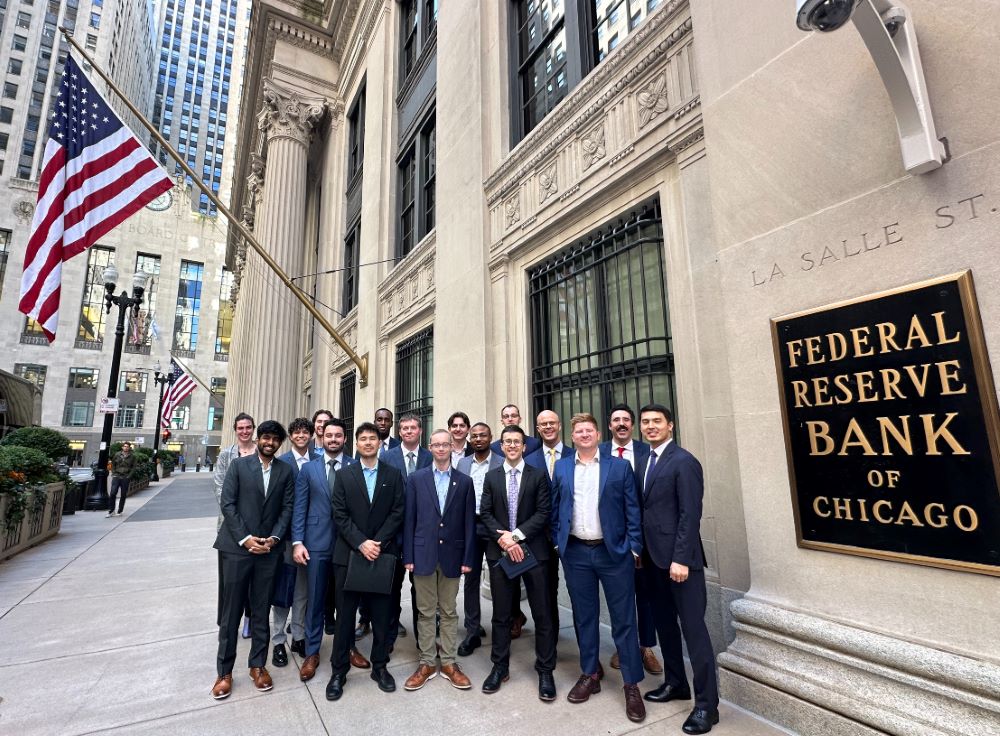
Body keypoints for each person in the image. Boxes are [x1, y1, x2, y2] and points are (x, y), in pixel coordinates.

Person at [552, 413, 645, 723]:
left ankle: (631, 684)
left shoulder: (619, 467)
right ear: (573, 436)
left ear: (597, 433)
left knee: (624, 620)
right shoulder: (562, 466)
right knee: (584, 617)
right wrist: (558, 543)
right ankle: (589, 673)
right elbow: (556, 508)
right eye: (578, 431)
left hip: (613, 553)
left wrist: (633, 548)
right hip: (577, 553)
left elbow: (633, 508)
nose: (584, 434)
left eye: (588, 430)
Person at [638, 404, 719, 735]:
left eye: (657, 421)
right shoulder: (645, 460)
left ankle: (706, 706)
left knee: (694, 631)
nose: (651, 426)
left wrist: (681, 559)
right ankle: (675, 683)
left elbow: (690, 514)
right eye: (646, 422)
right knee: (665, 627)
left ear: (670, 425)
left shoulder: (684, 462)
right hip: (653, 562)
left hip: (680, 563)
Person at [211, 420, 295, 700]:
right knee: (231, 613)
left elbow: (287, 508)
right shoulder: (239, 466)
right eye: (266, 438)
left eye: (275, 439)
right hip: (237, 549)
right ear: (259, 439)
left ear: (280, 443)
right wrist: (246, 538)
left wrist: (274, 538)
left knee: (261, 611)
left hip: (269, 551)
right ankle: (224, 672)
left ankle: (258, 666)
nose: (269, 442)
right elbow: (228, 504)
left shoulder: (285, 471)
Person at [326, 422, 405, 702]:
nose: (369, 443)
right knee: (345, 618)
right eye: (363, 439)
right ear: (356, 444)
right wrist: (361, 542)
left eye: (373, 438)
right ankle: (338, 672)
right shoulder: (345, 475)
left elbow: (398, 512)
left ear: (379, 443)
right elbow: (339, 513)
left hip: (382, 555)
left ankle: (380, 667)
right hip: (348, 555)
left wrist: (377, 543)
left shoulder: (393, 475)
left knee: (382, 616)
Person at [478, 424, 557, 701]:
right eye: (507, 441)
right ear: (501, 446)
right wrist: (505, 541)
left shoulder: (538, 476)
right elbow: (485, 512)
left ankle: (545, 670)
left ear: (524, 447)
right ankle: (500, 666)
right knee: (501, 615)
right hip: (501, 552)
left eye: (517, 442)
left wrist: (517, 536)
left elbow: (544, 511)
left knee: (542, 614)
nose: (511, 445)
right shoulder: (492, 477)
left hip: (534, 552)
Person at [291, 418, 369, 682]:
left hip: (348, 546)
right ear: (321, 438)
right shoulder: (309, 469)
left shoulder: (356, 466)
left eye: (338, 436)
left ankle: (347, 647)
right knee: (315, 600)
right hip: (316, 543)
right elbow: (300, 507)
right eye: (329, 435)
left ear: (345, 439)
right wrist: (297, 541)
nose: (333, 439)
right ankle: (312, 652)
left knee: (347, 602)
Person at [402, 430, 476, 691]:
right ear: (430, 447)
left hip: (453, 556)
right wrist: (408, 555)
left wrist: (468, 557)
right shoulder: (416, 479)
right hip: (422, 554)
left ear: (451, 448)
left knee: (448, 611)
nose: (442, 448)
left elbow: (469, 524)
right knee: (424, 611)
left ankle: (448, 662)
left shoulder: (464, 482)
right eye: (437, 444)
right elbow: (409, 519)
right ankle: (426, 662)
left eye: (447, 444)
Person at [600, 403, 663, 676]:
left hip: (643, 537)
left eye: (626, 419)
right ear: (610, 426)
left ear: (632, 426)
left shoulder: (645, 451)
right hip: (611, 538)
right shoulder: (599, 452)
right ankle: (624, 646)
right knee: (619, 596)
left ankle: (646, 647)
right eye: (617, 420)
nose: (622, 424)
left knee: (645, 594)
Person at [380, 413, 431, 646]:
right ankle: (389, 636)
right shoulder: (387, 457)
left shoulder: (430, 457)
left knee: (421, 589)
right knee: (391, 588)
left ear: (420, 431)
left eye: (413, 428)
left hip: (422, 535)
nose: (409, 431)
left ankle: (423, 640)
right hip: (394, 534)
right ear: (399, 432)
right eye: (405, 428)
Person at [455, 422, 503, 656]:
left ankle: (500, 630)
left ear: (490, 437)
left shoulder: (501, 462)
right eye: (474, 436)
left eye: (483, 435)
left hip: (494, 527)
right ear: (470, 439)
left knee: (498, 579)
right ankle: (472, 629)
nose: (478, 439)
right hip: (469, 526)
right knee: (471, 579)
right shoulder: (463, 463)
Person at [524, 409, 573, 634]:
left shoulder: (575, 455)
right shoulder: (528, 461)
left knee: (578, 592)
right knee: (544, 590)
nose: (548, 427)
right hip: (540, 537)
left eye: (552, 422)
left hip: (573, 535)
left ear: (559, 425)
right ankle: (549, 637)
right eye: (543, 424)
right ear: (538, 428)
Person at [270, 417, 313, 668]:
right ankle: (278, 641)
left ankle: (299, 636)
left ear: (310, 435)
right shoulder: (282, 463)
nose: (301, 436)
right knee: (283, 591)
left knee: (303, 591)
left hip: (311, 538)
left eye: (305, 432)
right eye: (296, 432)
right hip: (286, 539)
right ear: (291, 436)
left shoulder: (317, 460)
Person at [214, 413, 258, 635]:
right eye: (240, 428)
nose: (244, 431)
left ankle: (250, 617)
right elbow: (220, 489)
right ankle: (228, 622)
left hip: (258, 527)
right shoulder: (226, 455)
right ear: (235, 430)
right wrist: (237, 518)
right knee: (230, 581)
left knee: (253, 581)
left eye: (248, 427)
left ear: (253, 429)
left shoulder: (261, 453)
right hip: (231, 527)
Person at [107, 442, 136, 517]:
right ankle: (111, 510)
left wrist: (129, 476)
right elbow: (113, 464)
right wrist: (113, 473)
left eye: (127, 447)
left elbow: (133, 467)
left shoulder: (132, 456)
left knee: (123, 494)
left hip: (125, 477)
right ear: (122, 447)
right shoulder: (117, 455)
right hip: (117, 476)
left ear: (129, 448)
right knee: (113, 493)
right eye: (124, 446)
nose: (126, 448)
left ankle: (120, 510)